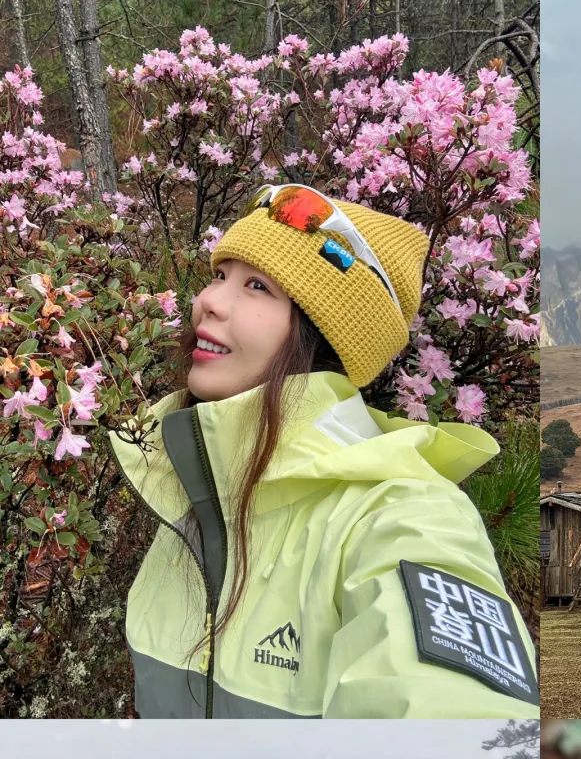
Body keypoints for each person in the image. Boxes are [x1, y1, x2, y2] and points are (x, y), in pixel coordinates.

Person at [107, 182, 539, 719]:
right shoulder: (201, 487)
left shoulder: (405, 516)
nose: (208, 301)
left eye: (258, 286)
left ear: (324, 337)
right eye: (220, 275)